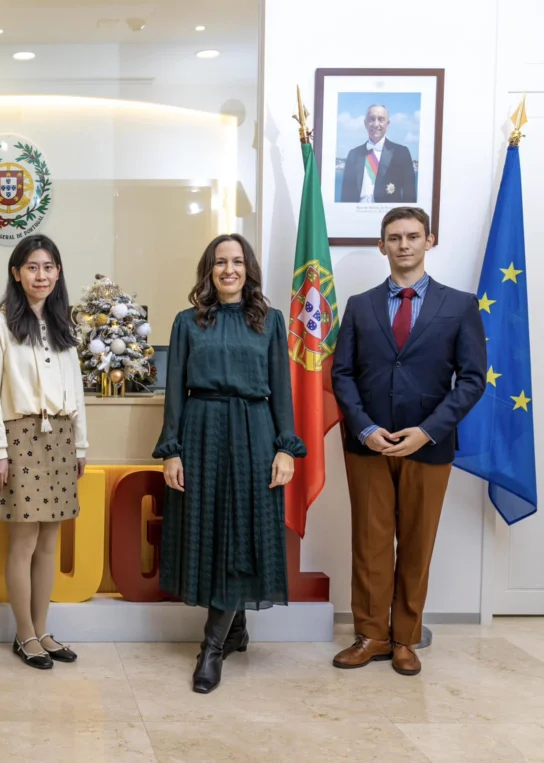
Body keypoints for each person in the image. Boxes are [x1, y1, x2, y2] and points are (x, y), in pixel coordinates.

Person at [331, 207, 486, 676]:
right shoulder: (359, 305)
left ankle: (405, 639)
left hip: (429, 445)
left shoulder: (459, 305)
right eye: (394, 237)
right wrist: (364, 428)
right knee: (370, 543)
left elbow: (472, 379)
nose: (404, 245)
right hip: (368, 445)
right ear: (382, 245)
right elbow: (342, 374)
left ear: (429, 241)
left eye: (413, 236)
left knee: (417, 544)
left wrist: (427, 430)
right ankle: (372, 636)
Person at [154, 233, 305, 694]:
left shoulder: (271, 322)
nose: (229, 270)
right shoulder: (187, 322)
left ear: (248, 269)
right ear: (209, 270)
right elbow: (175, 392)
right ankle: (235, 629)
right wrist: (172, 450)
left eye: (237, 262)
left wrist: (286, 447)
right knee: (211, 531)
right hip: (201, 431)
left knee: (243, 531)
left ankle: (212, 647)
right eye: (220, 262)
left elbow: (282, 388)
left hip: (255, 431)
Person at [0, 234, 88, 670]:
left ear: (58, 273)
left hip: (60, 437)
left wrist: (80, 444)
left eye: (48, 267)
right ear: (16, 273)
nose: (40, 275)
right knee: (23, 541)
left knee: (50, 542)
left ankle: (42, 630)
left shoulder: (64, 325)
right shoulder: (0, 324)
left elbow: (76, 391)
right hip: (20, 436)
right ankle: (23, 634)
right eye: (32, 267)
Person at [339, 105, 417, 204]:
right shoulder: (353, 154)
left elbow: (409, 195)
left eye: (381, 119)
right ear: (365, 123)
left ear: (387, 124)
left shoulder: (401, 153)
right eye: (371, 119)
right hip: (357, 212)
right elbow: (345, 196)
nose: (376, 124)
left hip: (389, 213)